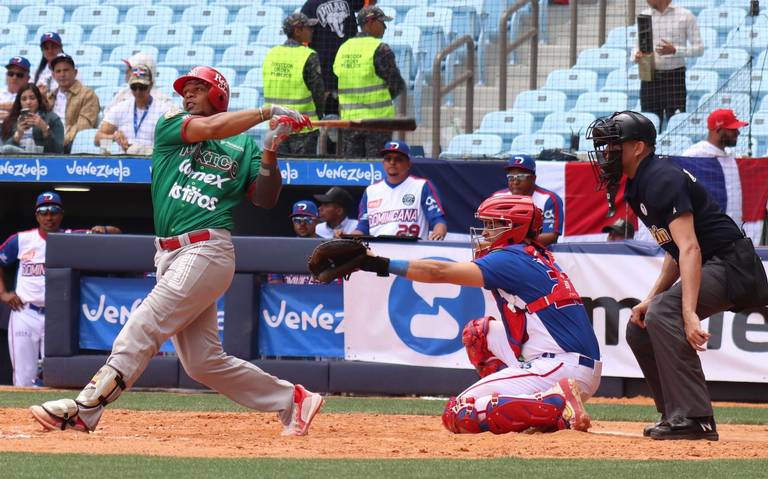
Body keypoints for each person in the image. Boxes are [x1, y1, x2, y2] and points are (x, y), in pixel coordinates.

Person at [29, 66, 324, 437]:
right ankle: (292, 399)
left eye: (198, 89)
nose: (187, 95)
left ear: (218, 96)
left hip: (206, 249)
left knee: (144, 323)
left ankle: (87, 407)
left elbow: (265, 198)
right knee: (202, 362)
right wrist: (267, 112)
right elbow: (214, 129)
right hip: (169, 254)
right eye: (186, 89)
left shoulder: (243, 146)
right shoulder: (172, 123)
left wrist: (269, 149)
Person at [343, 194, 601, 434]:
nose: (486, 232)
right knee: (479, 333)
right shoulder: (534, 254)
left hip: (562, 366)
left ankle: (555, 403)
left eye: (494, 225)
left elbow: (438, 272)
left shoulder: (510, 258)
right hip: (567, 360)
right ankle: (526, 403)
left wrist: (377, 263)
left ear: (515, 228)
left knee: (459, 412)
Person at [587, 110, 768, 441]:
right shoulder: (640, 185)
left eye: (613, 146)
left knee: (665, 312)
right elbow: (675, 251)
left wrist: (688, 314)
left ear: (638, 147)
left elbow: (691, 250)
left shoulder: (661, 179)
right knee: (640, 325)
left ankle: (695, 418)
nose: (606, 154)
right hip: (713, 262)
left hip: (733, 265)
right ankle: (674, 413)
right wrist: (649, 298)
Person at [0, 192, 120, 387]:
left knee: (56, 375)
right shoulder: (21, 240)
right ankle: (21, 415)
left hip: (57, 316)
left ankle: (53, 415)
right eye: (44, 212)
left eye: (54, 211)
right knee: (23, 377)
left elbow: (117, 233)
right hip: (25, 313)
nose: (49, 217)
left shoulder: (70, 237)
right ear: (37, 215)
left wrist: (103, 229)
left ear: (61, 214)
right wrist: (3, 293)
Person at [333, 6, 405, 157]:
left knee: (352, 173)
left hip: (350, 121)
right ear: (370, 22)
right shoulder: (379, 48)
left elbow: (337, 76)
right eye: (381, 22)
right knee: (376, 170)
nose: (385, 26)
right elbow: (396, 84)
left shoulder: (343, 48)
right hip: (377, 122)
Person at [353, 140, 448, 240]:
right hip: (378, 251)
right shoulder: (371, 191)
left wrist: (439, 232)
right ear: (383, 163)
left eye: (398, 159)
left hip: (412, 250)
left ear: (408, 164)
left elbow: (437, 219)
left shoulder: (421, 186)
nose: (392, 162)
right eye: (388, 159)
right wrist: (346, 237)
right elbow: (363, 227)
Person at [262, 13, 325, 156]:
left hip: (276, 126)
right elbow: (318, 91)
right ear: (297, 30)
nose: (312, 31)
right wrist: (319, 115)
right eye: (308, 28)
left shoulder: (271, 54)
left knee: (279, 171)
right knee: (303, 173)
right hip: (302, 127)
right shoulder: (308, 55)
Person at [633, 0, 703, 124]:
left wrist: (675, 50)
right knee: (648, 123)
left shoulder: (685, 15)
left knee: (676, 120)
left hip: (674, 77)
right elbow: (636, 47)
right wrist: (636, 55)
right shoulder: (644, 16)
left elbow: (699, 49)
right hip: (649, 77)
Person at [301, 0, 368, 118]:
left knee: (345, 99)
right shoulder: (310, 4)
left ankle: (335, 130)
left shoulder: (310, 4)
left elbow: (366, 4)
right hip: (329, 61)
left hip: (346, 59)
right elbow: (303, 32)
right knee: (328, 97)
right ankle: (320, 129)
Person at [95, 65, 169, 155]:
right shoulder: (121, 108)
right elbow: (97, 139)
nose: (137, 92)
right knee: (104, 150)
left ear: (151, 85)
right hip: (123, 162)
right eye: (134, 87)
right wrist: (113, 138)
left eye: (142, 87)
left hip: (151, 159)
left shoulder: (163, 110)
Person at [493, 155, 564, 247]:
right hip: (502, 251)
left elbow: (551, 235)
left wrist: (515, 247)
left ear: (533, 179)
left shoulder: (549, 199)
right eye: (511, 177)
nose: (515, 182)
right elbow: (491, 232)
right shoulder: (497, 198)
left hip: (537, 255)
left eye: (521, 177)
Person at [47, 53, 99, 152]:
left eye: (66, 70)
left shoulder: (88, 95)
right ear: (53, 75)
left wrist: (60, 141)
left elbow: (83, 126)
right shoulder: (49, 97)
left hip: (70, 143)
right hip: (50, 141)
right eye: (58, 71)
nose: (62, 74)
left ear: (75, 72)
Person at [105, 52, 174, 118]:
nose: (126, 71)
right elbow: (107, 116)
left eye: (129, 68)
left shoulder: (162, 99)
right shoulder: (123, 93)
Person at [1, 84, 64, 154]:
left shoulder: (53, 118)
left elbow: (58, 150)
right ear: (19, 102)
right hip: (16, 162)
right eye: (24, 99)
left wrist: (45, 129)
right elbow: (4, 151)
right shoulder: (10, 121)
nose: (28, 102)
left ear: (38, 100)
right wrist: (18, 134)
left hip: (41, 162)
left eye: (32, 98)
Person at [682, 109, 748, 158]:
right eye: (733, 129)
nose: (738, 133)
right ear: (719, 130)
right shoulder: (694, 154)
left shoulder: (730, 154)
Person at [34, 32, 64, 98]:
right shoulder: (37, 74)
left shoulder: (71, 71)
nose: (50, 51)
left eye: (53, 47)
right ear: (42, 50)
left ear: (61, 47)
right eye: (46, 48)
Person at [1, 56, 31, 121]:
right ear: (6, 75)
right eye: (11, 74)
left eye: (19, 75)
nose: (14, 78)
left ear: (28, 78)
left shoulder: (31, 96)